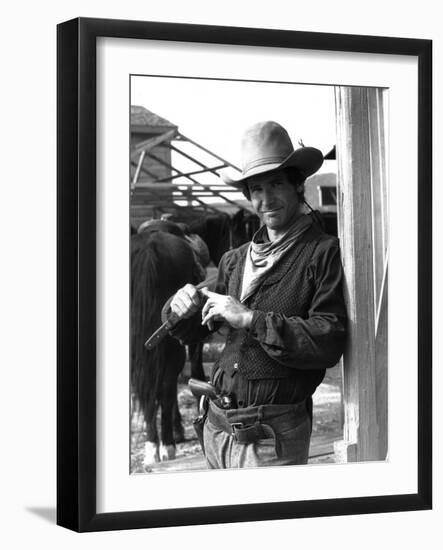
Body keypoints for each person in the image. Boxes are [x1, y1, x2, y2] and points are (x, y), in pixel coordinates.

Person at [168, 120, 347, 469]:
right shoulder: (235, 260)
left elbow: (329, 340)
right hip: (216, 429)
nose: (265, 200)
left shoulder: (323, 253)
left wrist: (250, 318)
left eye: (276, 184)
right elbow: (198, 328)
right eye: (256, 189)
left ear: (299, 185)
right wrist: (181, 308)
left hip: (270, 438)